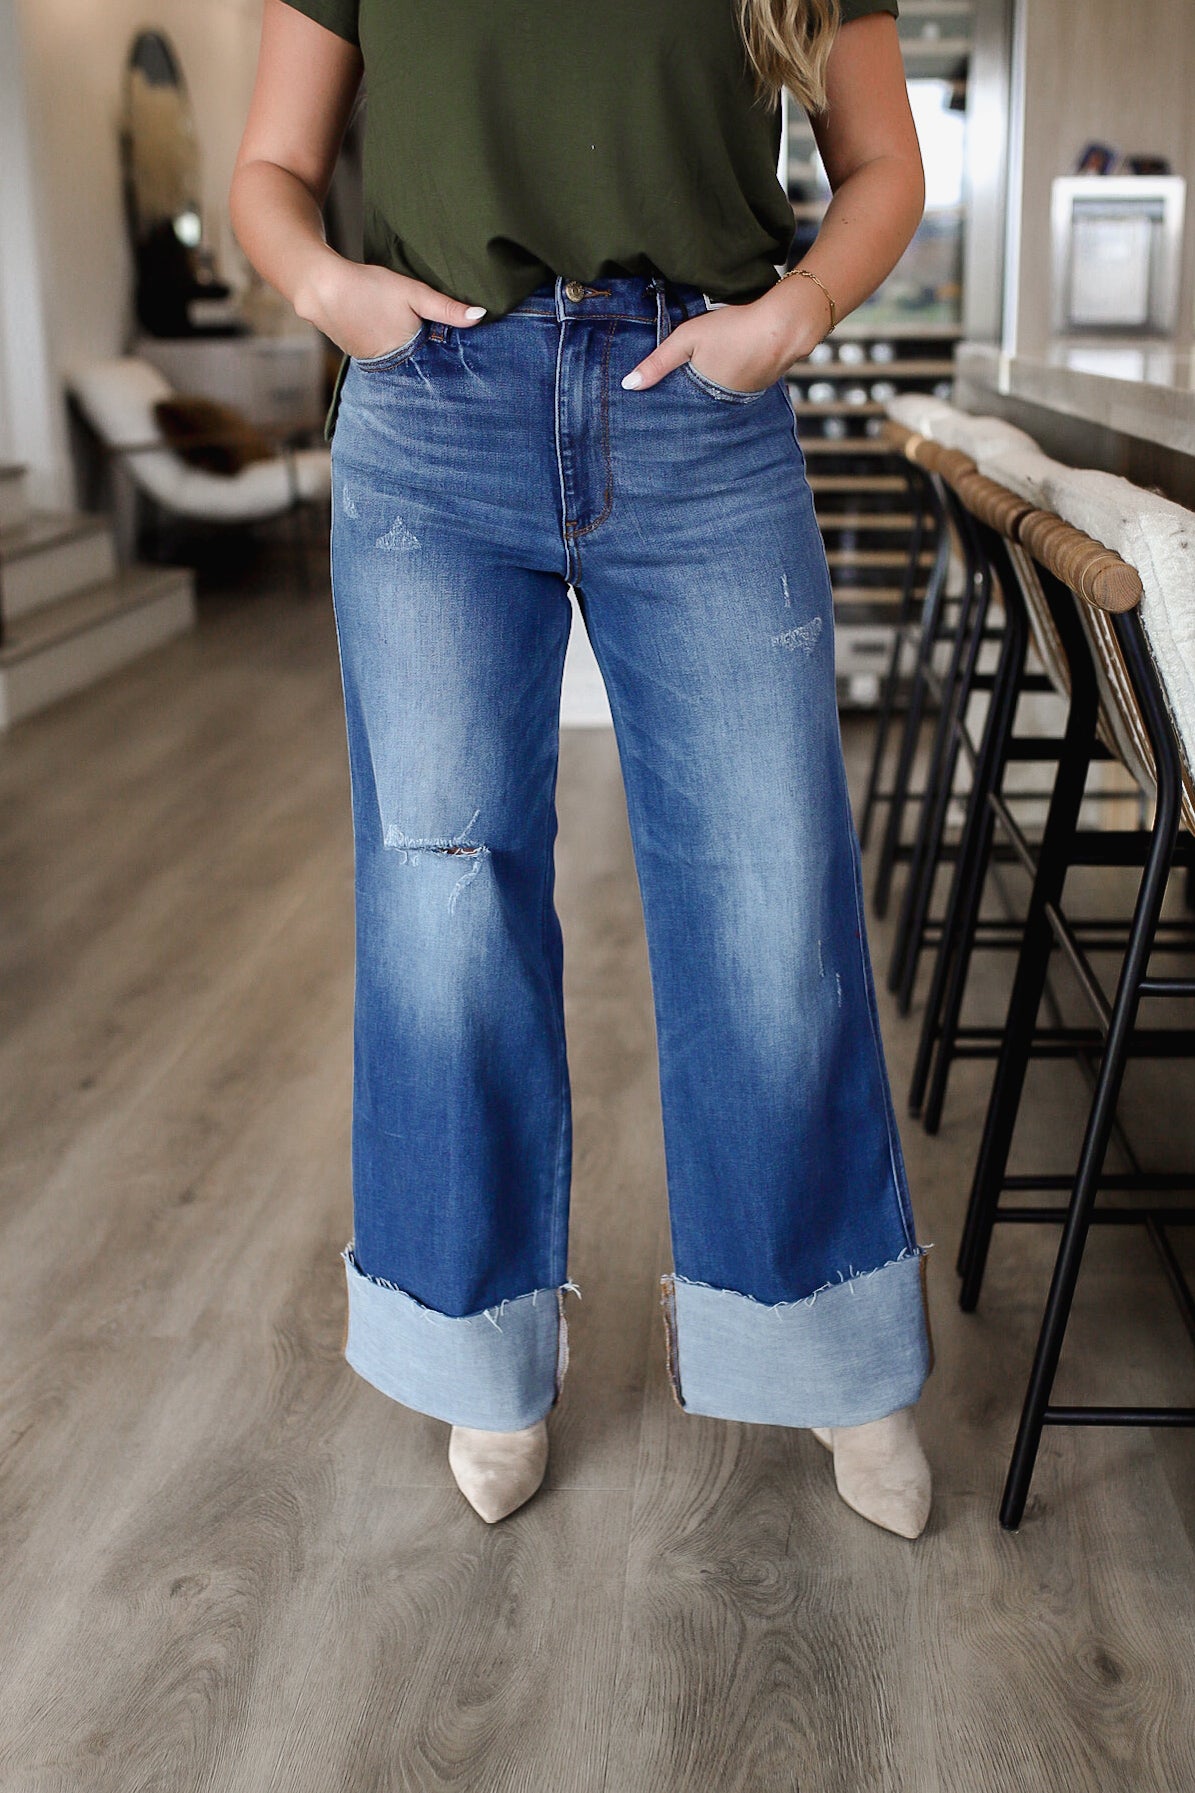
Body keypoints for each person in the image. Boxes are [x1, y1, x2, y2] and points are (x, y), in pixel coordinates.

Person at [230, 0, 935, 1538]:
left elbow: (886, 163)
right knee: (445, 899)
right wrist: (331, 288)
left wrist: (793, 315)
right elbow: (270, 170)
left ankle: (821, 1333)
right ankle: (480, 1353)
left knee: (770, 890)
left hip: (703, 404)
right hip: (433, 407)